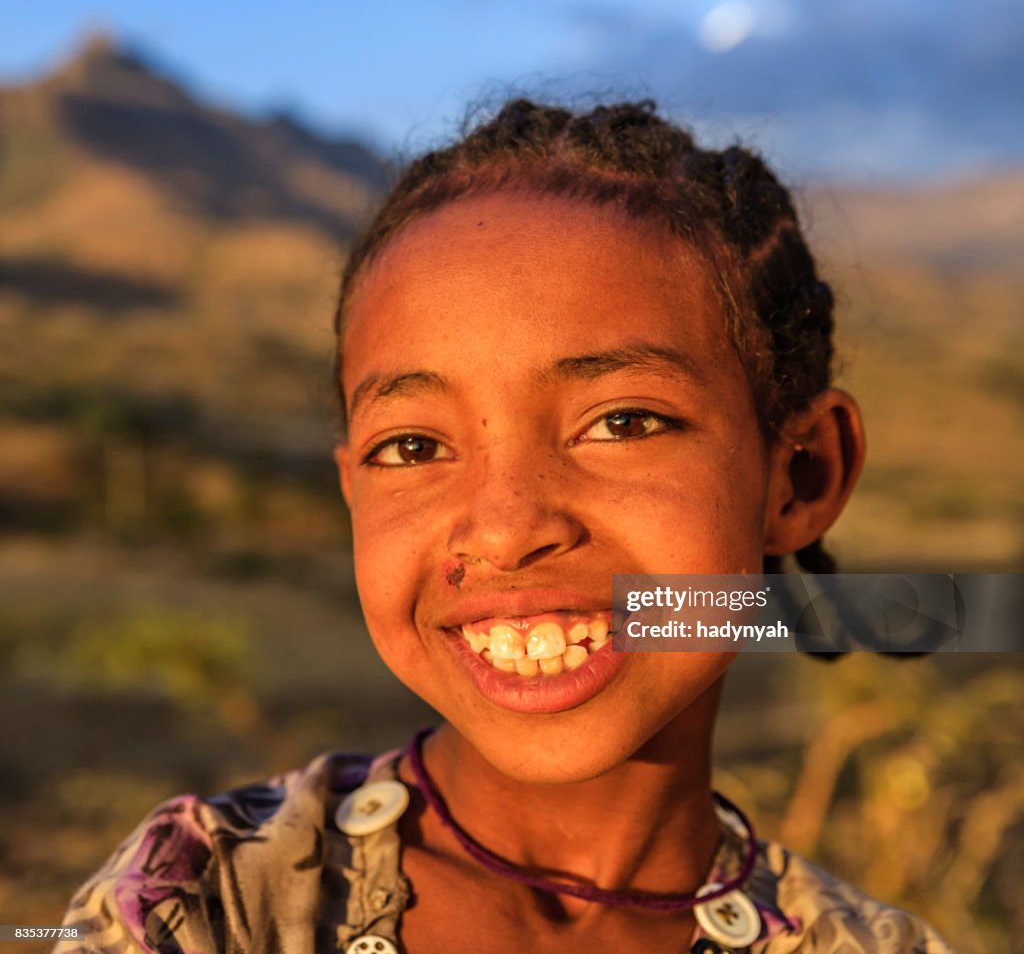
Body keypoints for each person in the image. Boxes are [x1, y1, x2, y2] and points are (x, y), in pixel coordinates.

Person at [56, 99, 953, 953]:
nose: (504, 529)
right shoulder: (202, 904)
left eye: (624, 422)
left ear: (801, 474)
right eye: (411, 446)